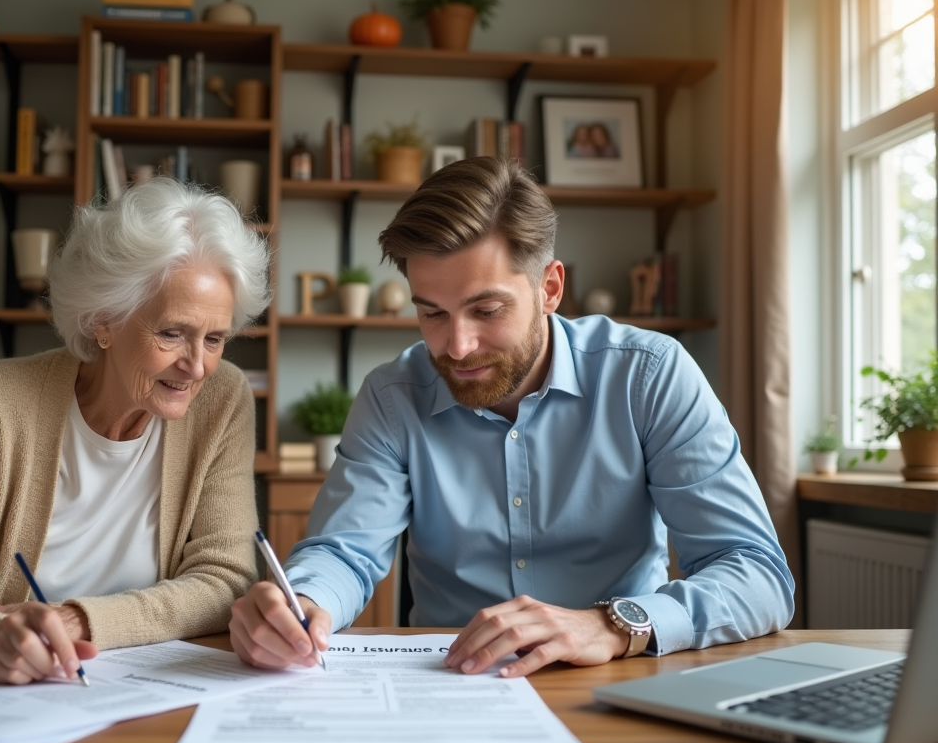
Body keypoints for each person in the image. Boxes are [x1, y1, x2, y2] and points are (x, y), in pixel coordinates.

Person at [229, 157, 794, 678]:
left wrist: (609, 624)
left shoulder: (649, 375)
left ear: (549, 287)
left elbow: (757, 575)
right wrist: (301, 603)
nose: (457, 345)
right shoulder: (392, 396)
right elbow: (343, 552)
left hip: (617, 674)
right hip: (452, 684)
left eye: (487, 310)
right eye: (432, 313)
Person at [0, 177, 271, 684]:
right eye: (172, 333)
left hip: (145, 694)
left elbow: (227, 581)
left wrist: (78, 620)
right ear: (104, 320)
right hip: (5, 690)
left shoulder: (222, 400)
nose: (197, 366)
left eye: (214, 338)